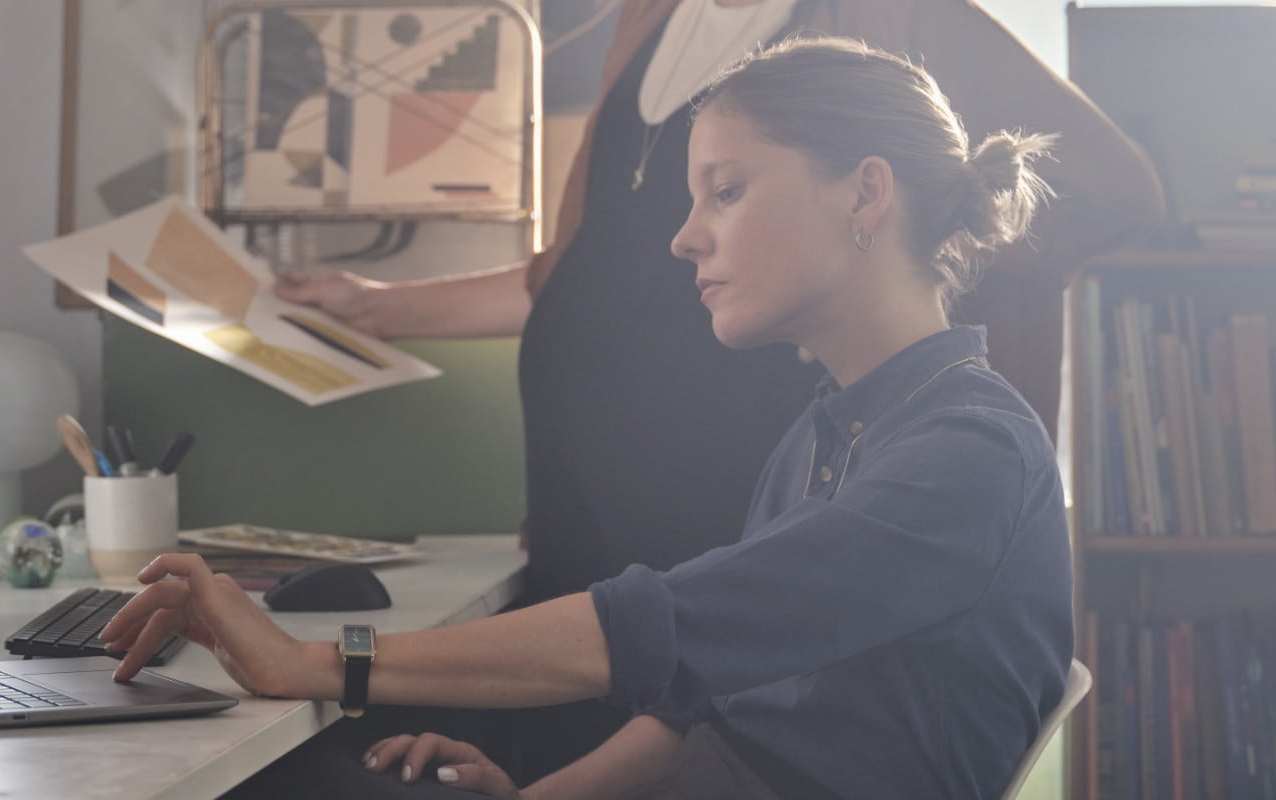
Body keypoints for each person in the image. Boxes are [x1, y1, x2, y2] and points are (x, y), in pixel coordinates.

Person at [104, 36, 1075, 798]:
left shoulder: (965, 454)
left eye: (726, 191)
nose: (684, 236)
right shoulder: (832, 431)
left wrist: (319, 662)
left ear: (865, 192)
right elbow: (710, 697)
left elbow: (667, 629)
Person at [278, 0, 1161, 608]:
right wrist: (384, 306)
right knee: (587, 714)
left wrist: (893, 300)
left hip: (739, 461)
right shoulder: (649, 17)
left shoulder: (884, 17)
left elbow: (1108, 189)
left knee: (689, 699)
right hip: (576, 478)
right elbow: (583, 268)